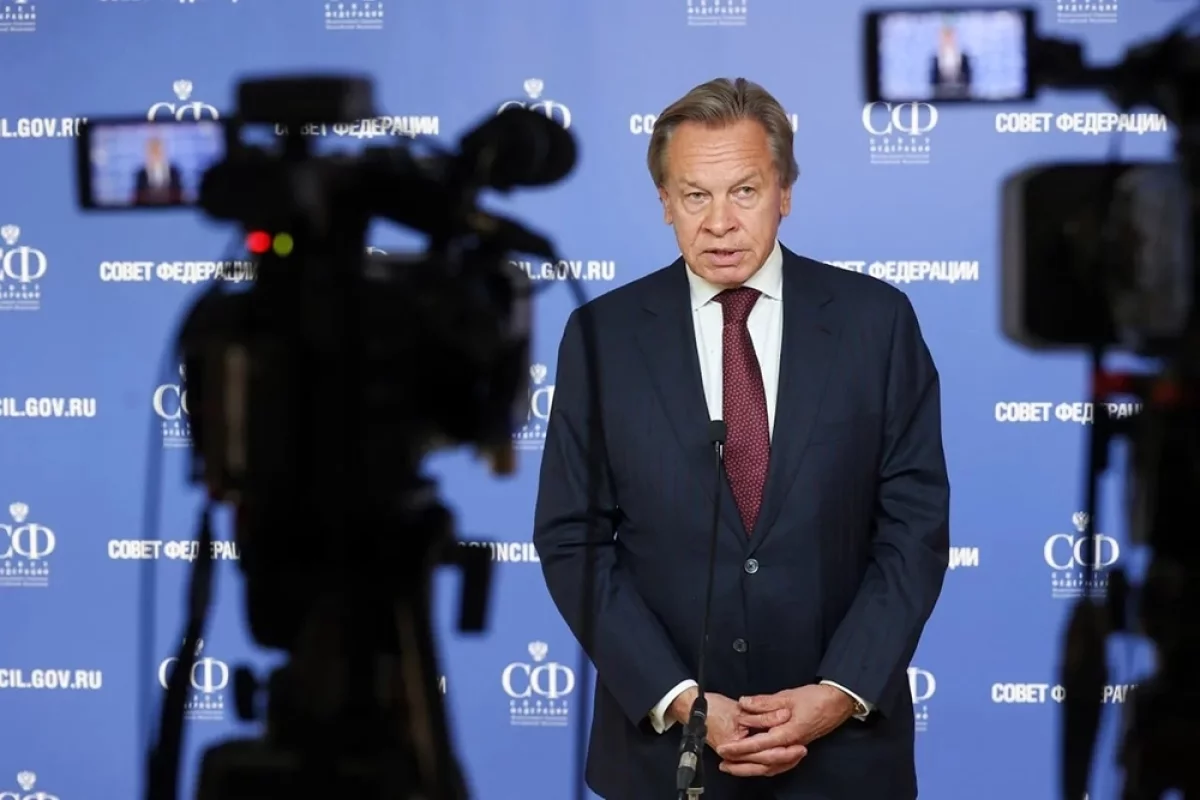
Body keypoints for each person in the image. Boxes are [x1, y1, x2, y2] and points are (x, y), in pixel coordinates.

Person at [532, 77, 949, 800]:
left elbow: (913, 527)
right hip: (663, 761)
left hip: (845, 760)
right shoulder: (602, 335)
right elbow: (573, 538)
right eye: (695, 195)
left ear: (785, 192)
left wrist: (839, 692)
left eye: (745, 192)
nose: (720, 222)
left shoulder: (876, 323)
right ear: (665, 202)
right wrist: (681, 701)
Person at [133, 136, 183, 205]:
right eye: (152, 151)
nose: (155, 155)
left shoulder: (174, 172)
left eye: (158, 151)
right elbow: (138, 199)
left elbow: (180, 197)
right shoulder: (141, 174)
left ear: (164, 152)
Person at [929, 23, 972, 98]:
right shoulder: (935, 59)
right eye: (945, 37)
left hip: (962, 98)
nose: (947, 40)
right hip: (941, 99)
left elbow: (968, 82)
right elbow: (933, 83)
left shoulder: (964, 58)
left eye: (950, 37)